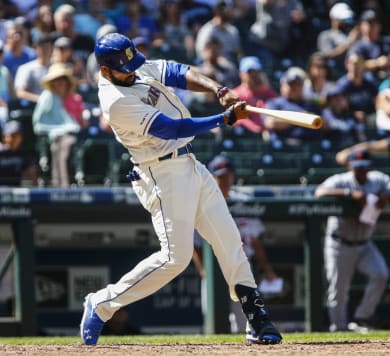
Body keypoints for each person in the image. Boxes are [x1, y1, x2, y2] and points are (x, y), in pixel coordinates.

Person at [79, 32, 282, 346]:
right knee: (176, 257)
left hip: (190, 164)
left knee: (230, 241)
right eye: (124, 68)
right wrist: (224, 119)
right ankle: (102, 303)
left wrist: (219, 89)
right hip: (160, 171)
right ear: (105, 70)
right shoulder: (114, 101)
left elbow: (177, 72)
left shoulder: (134, 67)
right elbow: (170, 128)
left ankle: (257, 318)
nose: (132, 71)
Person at [314, 148, 390, 332]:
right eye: (357, 167)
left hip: (364, 243)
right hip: (339, 243)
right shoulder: (342, 180)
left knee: (381, 274)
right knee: (338, 290)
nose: (361, 171)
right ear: (350, 166)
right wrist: (349, 194)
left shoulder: (377, 179)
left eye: (364, 167)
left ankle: (362, 317)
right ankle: (338, 328)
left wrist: (387, 196)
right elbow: (319, 191)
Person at [193, 155, 282, 333]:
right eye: (221, 176)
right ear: (212, 177)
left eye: (228, 176)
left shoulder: (243, 201)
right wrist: (203, 270)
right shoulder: (201, 202)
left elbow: (256, 241)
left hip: (241, 264)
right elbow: (194, 243)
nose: (225, 181)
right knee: (212, 318)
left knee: (245, 318)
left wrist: (266, 269)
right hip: (215, 266)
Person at [32, 63, 80, 187]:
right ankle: (60, 184)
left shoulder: (65, 99)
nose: (61, 83)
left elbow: (71, 123)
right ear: (52, 83)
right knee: (61, 145)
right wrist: (56, 131)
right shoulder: (47, 97)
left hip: (68, 135)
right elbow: (38, 125)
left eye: (63, 80)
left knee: (67, 143)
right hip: (52, 138)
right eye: (57, 80)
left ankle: (65, 183)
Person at [232, 55, 278, 134]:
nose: (253, 75)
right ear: (241, 74)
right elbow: (233, 119)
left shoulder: (267, 92)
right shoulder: (235, 94)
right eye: (249, 72)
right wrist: (259, 129)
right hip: (244, 135)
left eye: (256, 71)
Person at [316, 2, 359, 80]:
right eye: (343, 20)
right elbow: (328, 55)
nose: (345, 23)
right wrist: (349, 42)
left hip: (353, 76)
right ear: (334, 19)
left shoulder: (353, 35)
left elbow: (360, 59)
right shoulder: (325, 35)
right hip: (334, 76)